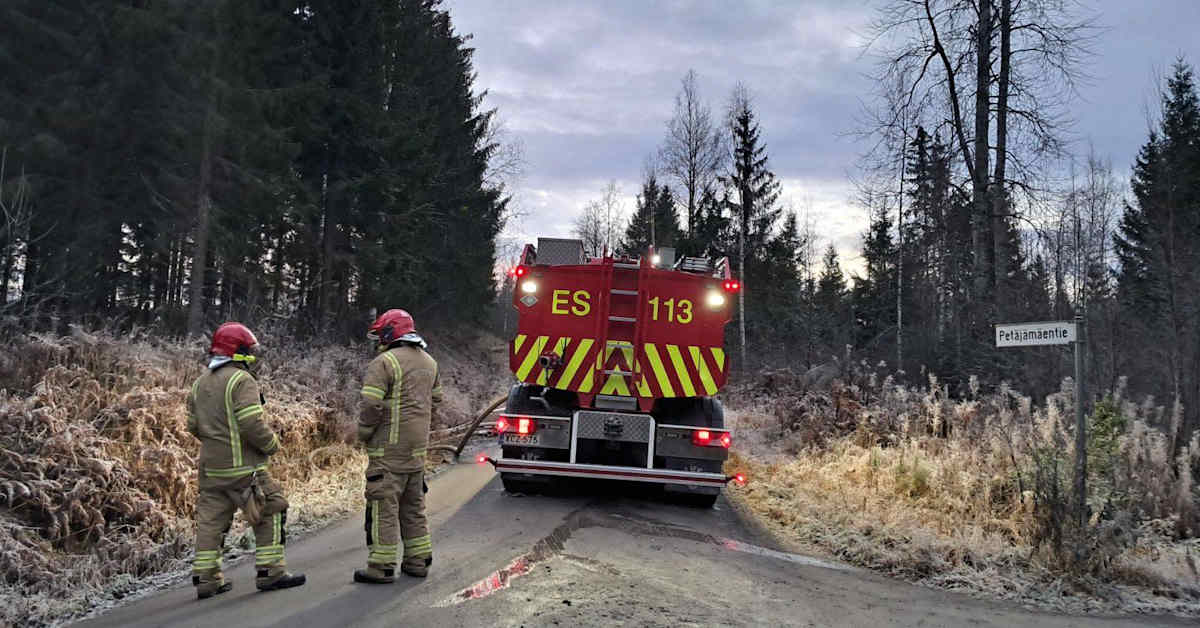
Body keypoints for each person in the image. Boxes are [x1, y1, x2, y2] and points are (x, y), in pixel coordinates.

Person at [186, 322, 306, 599]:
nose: (254, 355)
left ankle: (206, 580)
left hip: (211, 471)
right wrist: (272, 444)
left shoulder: (199, 383)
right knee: (272, 508)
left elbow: (193, 425)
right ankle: (271, 573)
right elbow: (251, 422)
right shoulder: (242, 380)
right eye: (249, 350)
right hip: (245, 470)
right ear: (237, 351)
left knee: (210, 524)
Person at [353, 309, 443, 584]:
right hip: (416, 452)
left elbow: (371, 404)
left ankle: (381, 566)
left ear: (391, 333)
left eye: (381, 333)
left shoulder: (384, 362)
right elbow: (436, 400)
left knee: (384, 507)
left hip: (387, 452)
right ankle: (417, 561)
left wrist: (365, 431)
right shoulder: (430, 363)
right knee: (413, 507)